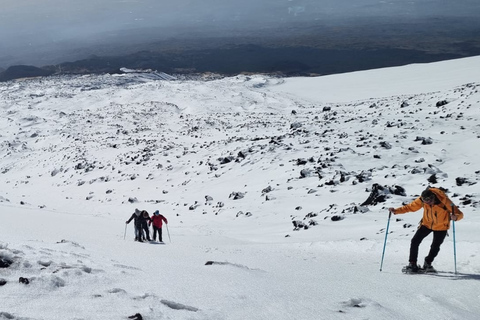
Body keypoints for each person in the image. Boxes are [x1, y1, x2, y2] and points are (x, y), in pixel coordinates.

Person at [389, 187, 463, 273]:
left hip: (441, 226)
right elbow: (410, 207)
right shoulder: (422, 200)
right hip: (426, 224)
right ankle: (412, 264)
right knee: (415, 241)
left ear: (433, 197)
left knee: (435, 246)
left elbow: (459, 213)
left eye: (429, 201)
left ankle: (428, 263)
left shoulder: (444, 201)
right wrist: (396, 211)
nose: (427, 203)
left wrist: (456, 217)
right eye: (425, 201)